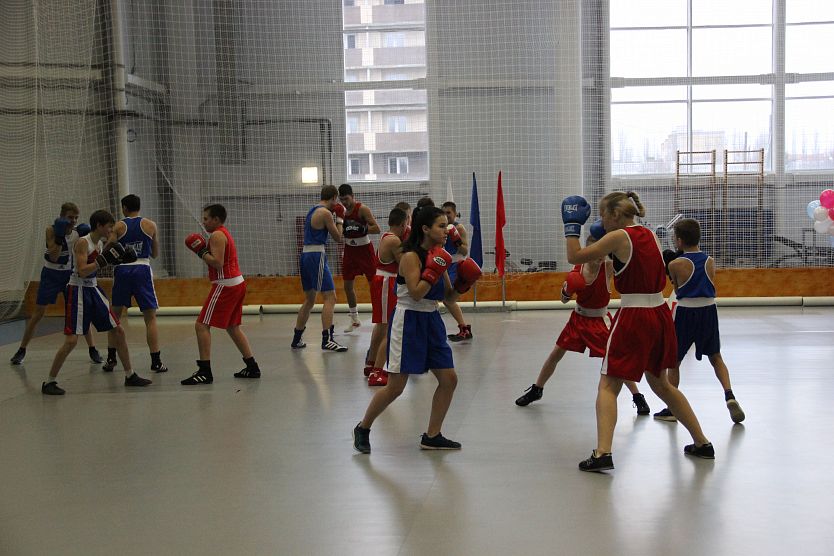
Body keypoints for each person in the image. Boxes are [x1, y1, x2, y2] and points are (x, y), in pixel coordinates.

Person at [561, 191, 713, 471]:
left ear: (615, 214)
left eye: (603, 215)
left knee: (608, 385)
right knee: (662, 385)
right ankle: (702, 443)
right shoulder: (649, 234)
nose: (601, 221)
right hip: (659, 313)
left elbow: (575, 256)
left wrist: (571, 227)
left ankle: (602, 453)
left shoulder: (619, 237)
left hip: (634, 315)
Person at [353, 205, 463, 453]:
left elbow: (448, 297)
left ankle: (432, 435)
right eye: (441, 226)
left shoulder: (440, 255)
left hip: (432, 319)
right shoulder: (410, 256)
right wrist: (433, 270)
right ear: (425, 229)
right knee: (396, 387)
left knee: (449, 379)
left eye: (446, 226)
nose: (446, 230)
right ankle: (363, 427)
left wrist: (462, 284)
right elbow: (415, 293)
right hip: (409, 320)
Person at [515, 227, 651, 415]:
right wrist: (567, 290)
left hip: (600, 322)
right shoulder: (577, 270)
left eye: (602, 253)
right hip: (578, 320)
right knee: (556, 354)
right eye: (595, 253)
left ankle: (637, 396)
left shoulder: (608, 267)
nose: (599, 257)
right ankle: (537, 389)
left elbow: (629, 261)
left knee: (614, 361)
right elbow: (564, 300)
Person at [42, 210, 152, 395]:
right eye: (109, 227)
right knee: (71, 340)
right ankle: (49, 382)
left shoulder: (100, 244)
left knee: (118, 331)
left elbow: (97, 268)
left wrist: (117, 260)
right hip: (78, 290)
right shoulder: (82, 242)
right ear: (99, 226)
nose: (111, 231)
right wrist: (103, 261)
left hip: (93, 288)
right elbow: (82, 270)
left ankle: (130, 375)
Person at [653, 218, 745, 424]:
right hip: (708, 311)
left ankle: (672, 408)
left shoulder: (675, 264)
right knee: (716, 357)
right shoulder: (710, 261)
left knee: (674, 362)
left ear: (679, 240)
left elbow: (677, 290)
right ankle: (729, 395)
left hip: (686, 313)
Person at [10, 203, 101, 365]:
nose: (73, 221)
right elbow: (54, 256)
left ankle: (93, 349)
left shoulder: (78, 234)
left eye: (76, 218)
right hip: (51, 275)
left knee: (80, 311)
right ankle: (22, 349)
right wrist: (59, 236)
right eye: (70, 217)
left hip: (70, 276)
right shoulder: (51, 230)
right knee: (38, 313)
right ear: (62, 216)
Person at [180, 204, 262, 384]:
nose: (203, 222)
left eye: (206, 218)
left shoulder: (217, 235)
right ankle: (252, 366)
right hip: (236, 283)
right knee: (233, 327)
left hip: (226, 284)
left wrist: (201, 251)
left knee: (201, 325)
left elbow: (217, 263)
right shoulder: (223, 233)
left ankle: (204, 371)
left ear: (216, 219)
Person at [102, 194, 167, 374]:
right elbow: (155, 254)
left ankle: (111, 358)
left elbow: (108, 249)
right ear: (139, 206)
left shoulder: (118, 226)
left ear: (124, 207)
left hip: (122, 270)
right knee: (150, 318)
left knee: (114, 316)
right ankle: (156, 361)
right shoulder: (150, 225)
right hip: (142, 269)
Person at [291, 185, 348, 352]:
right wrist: (340, 219)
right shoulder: (325, 213)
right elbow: (338, 237)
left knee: (310, 300)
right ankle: (327, 339)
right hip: (316, 256)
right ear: (333, 198)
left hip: (305, 255)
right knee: (331, 297)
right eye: (336, 200)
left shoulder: (312, 210)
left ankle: (296, 338)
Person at [365, 207, 408, 386]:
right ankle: (377, 371)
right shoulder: (394, 240)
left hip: (383, 282)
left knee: (381, 326)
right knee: (390, 328)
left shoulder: (387, 236)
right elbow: (405, 264)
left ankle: (371, 364)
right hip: (386, 283)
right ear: (403, 223)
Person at [338, 183, 381, 332]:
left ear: (352, 196)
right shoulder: (341, 212)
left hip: (364, 251)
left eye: (347, 199)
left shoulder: (362, 209)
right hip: (349, 251)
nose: (344, 202)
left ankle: (380, 316)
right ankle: (355, 319)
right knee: (347, 285)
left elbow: (377, 228)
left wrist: (363, 228)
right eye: (342, 199)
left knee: (373, 284)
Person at [441, 201, 474, 342]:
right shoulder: (441, 228)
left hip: (456, 266)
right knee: (445, 300)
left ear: (455, 213)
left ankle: (464, 328)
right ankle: (464, 328)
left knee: (448, 299)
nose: (446, 215)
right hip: (444, 266)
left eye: (449, 212)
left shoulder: (459, 228)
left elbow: (465, 251)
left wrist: (456, 240)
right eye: (444, 213)